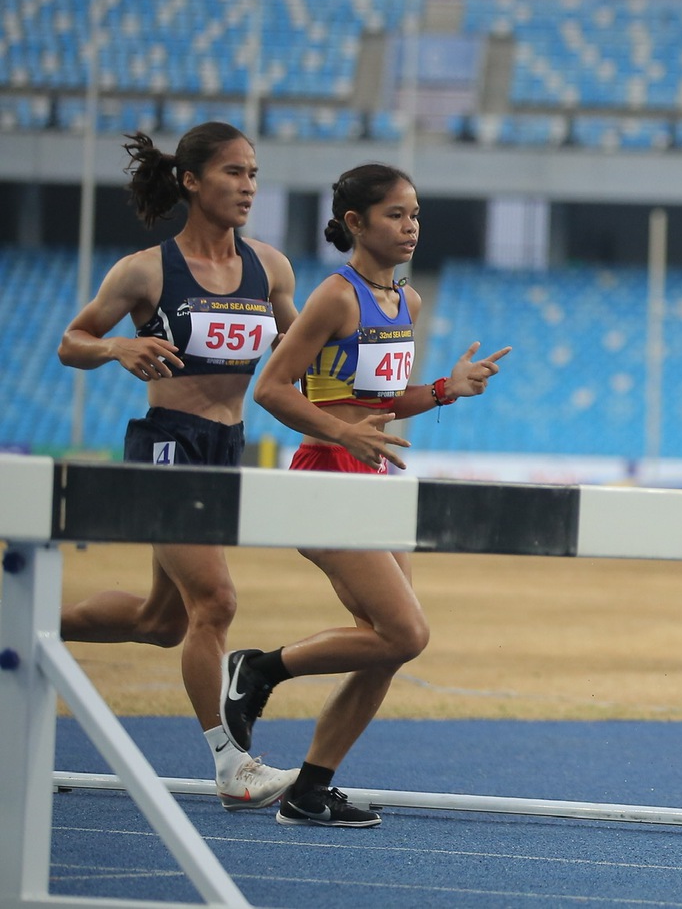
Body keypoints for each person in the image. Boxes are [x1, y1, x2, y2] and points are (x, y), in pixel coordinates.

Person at [239, 164, 509, 828]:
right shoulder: (335, 297)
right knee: (405, 631)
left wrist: (447, 389)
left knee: (390, 646)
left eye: (415, 213)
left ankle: (309, 789)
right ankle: (258, 671)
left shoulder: (406, 303)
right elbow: (273, 388)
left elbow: (386, 405)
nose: (410, 225)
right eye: (395, 214)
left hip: (375, 480)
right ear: (356, 223)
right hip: (326, 474)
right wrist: (341, 431)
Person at [56, 122, 301, 811]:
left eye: (253, 173)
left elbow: (301, 348)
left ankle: (26, 622)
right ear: (191, 182)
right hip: (168, 445)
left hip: (227, 451)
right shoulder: (146, 270)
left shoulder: (270, 268)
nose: (248, 185)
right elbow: (73, 341)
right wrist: (118, 351)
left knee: (164, 622)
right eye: (232, 172)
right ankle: (232, 764)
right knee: (216, 602)